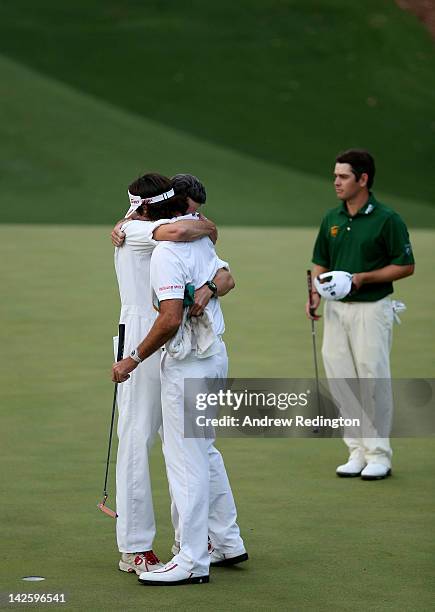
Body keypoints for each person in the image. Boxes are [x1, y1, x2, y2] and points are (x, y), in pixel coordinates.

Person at [112, 186, 247, 586]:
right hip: (142, 330)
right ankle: (135, 545)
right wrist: (204, 226)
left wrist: (205, 239)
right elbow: (183, 233)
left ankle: (216, 541)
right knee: (141, 436)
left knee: (189, 446)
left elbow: (224, 274)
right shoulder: (138, 230)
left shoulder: (183, 233)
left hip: (170, 338)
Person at [306, 149, 415, 480]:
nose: (336, 182)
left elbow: (405, 265)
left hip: (372, 308)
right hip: (337, 309)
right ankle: (356, 451)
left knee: (372, 379)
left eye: (343, 177)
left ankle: (379, 454)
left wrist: (363, 278)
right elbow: (321, 261)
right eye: (335, 176)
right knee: (341, 378)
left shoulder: (386, 218)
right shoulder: (332, 218)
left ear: (363, 179)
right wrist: (315, 292)